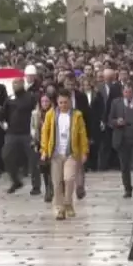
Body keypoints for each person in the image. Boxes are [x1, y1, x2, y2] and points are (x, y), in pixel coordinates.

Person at [38, 89, 90, 220]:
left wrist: (84, 151)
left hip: (71, 153)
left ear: (70, 102)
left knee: (69, 178)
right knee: (57, 183)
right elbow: (45, 133)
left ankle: (68, 202)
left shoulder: (77, 115)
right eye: (60, 102)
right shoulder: (51, 115)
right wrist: (44, 150)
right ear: (57, 102)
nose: (63, 105)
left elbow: (82, 134)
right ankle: (60, 208)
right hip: (55, 153)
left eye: (65, 102)